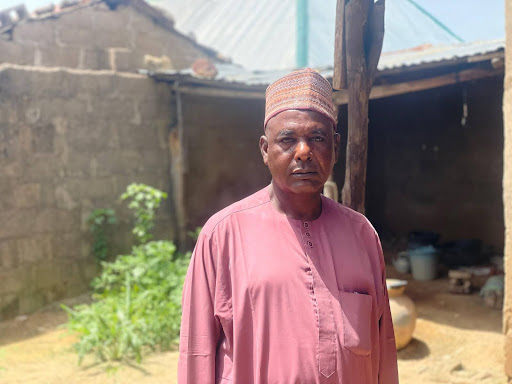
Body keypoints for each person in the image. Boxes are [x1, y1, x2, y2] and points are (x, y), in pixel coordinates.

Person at [178, 68, 399, 384]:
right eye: (288, 139)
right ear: (266, 150)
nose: (304, 152)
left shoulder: (362, 234)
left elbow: (384, 346)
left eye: (317, 138)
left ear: (335, 148)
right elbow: (196, 352)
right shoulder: (223, 235)